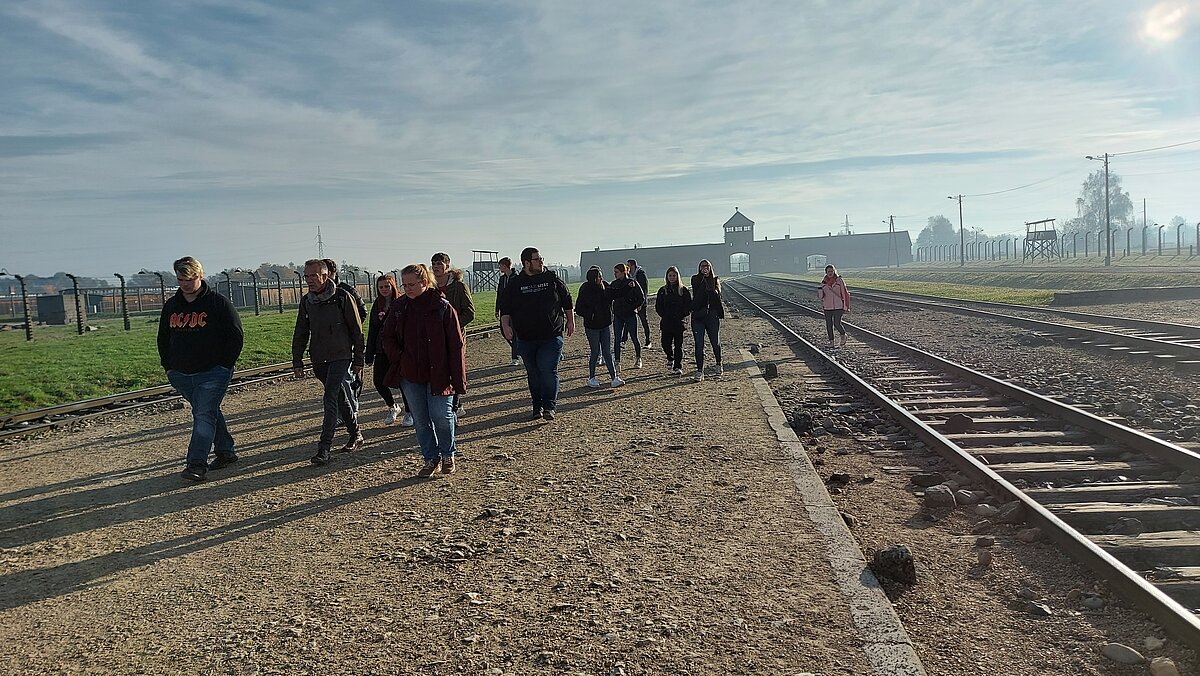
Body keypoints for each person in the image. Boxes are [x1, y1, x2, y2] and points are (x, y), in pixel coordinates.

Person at [158, 256, 244, 482]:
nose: (185, 284)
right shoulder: (172, 306)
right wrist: (169, 367)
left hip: (213, 372)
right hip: (182, 374)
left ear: (200, 275)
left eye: (190, 278)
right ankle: (225, 451)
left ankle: (196, 464)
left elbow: (235, 336)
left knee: (203, 414)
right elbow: (163, 338)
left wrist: (225, 365)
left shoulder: (218, 303)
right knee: (208, 411)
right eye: (181, 279)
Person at [382, 264, 467, 477]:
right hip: (410, 373)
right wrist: (400, 359)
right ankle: (430, 458)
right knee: (421, 419)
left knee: (441, 415)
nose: (407, 288)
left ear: (425, 282)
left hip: (440, 371)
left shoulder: (442, 307)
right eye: (404, 284)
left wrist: (459, 380)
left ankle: (448, 453)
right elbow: (387, 336)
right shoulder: (400, 307)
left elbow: (456, 345)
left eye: (412, 284)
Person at [292, 258, 365, 466]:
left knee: (330, 397)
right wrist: (297, 360)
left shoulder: (342, 297)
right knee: (339, 397)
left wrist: (359, 358)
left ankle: (324, 448)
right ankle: (356, 434)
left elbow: (357, 330)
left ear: (325, 275)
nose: (309, 280)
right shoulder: (307, 301)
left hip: (341, 355)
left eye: (313, 276)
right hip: (319, 357)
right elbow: (301, 332)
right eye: (306, 277)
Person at [500, 247, 575, 421]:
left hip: (551, 335)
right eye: (537, 259)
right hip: (526, 337)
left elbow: (566, 299)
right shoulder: (516, 283)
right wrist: (505, 325)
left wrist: (571, 320)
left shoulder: (552, 278)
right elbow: (506, 307)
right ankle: (537, 406)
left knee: (548, 370)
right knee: (533, 373)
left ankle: (549, 406)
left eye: (541, 258)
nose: (541, 261)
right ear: (527, 263)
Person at [431, 252, 474, 417]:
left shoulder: (458, 286)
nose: (436, 266)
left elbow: (469, 313)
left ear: (447, 266)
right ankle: (453, 404)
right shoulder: (430, 288)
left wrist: (452, 326)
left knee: (454, 368)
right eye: (434, 263)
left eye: (439, 263)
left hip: (455, 336)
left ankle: (454, 407)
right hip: (435, 338)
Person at [324, 258, 367, 417]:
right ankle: (343, 413)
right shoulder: (317, 294)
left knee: (346, 378)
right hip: (327, 345)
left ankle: (351, 412)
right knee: (334, 381)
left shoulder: (345, 291)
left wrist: (348, 330)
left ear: (330, 272)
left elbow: (362, 313)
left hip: (345, 343)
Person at [365, 274, 408, 425]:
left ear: (393, 286)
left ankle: (409, 411)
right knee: (378, 381)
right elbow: (372, 329)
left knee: (403, 381)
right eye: (381, 287)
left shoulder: (401, 302)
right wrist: (369, 353)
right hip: (381, 348)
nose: (384, 289)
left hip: (397, 348)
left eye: (387, 286)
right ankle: (392, 406)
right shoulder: (377, 304)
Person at [574, 266, 623, 388]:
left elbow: (616, 293)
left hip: (605, 324)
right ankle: (591, 378)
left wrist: (628, 287)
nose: (601, 278)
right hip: (592, 327)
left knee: (607, 352)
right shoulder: (585, 289)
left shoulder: (605, 286)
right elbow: (579, 308)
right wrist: (590, 314)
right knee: (595, 352)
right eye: (599, 276)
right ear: (593, 278)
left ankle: (614, 377)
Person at [690, 259, 724, 382]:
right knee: (699, 344)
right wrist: (704, 281)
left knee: (715, 342)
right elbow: (697, 295)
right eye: (702, 266)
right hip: (698, 316)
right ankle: (700, 370)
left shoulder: (715, 280)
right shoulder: (695, 279)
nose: (704, 268)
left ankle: (718, 363)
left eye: (706, 266)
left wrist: (711, 285)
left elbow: (717, 297)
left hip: (711, 316)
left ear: (710, 268)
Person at [654, 266, 692, 376]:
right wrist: (663, 315)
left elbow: (688, 304)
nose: (672, 277)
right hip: (666, 321)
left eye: (674, 275)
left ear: (677, 276)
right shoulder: (662, 290)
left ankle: (678, 366)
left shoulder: (683, 290)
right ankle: (670, 357)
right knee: (665, 343)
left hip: (679, 322)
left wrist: (683, 315)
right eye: (670, 275)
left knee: (678, 345)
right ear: (667, 277)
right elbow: (658, 306)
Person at [609, 263, 644, 371]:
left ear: (624, 272)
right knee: (617, 338)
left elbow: (641, 297)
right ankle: (617, 361)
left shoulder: (632, 283)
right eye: (614, 272)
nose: (615, 274)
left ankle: (638, 358)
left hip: (630, 314)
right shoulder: (614, 284)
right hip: (618, 314)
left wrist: (633, 307)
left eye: (617, 272)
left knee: (634, 337)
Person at [495, 257, 520, 366]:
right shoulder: (502, 279)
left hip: (515, 310)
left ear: (505, 266)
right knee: (504, 331)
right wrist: (497, 308)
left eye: (500, 265)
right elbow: (499, 294)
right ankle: (517, 349)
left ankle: (515, 357)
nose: (499, 267)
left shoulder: (517, 278)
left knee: (514, 333)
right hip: (504, 310)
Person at [819, 264, 851, 347]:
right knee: (829, 324)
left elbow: (844, 293)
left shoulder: (839, 280)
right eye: (828, 271)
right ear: (826, 272)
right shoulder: (824, 282)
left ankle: (843, 335)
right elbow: (821, 297)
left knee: (837, 323)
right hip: (827, 306)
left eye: (831, 271)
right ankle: (831, 342)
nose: (830, 273)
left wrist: (845, 306)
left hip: (838, 306)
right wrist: (820, 290)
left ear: (834, 271)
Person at [627, 258, 652, 349]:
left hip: (641, 301)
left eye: (628, 265)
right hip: (632, 302)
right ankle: (624, 340)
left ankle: (648, 341)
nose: (627, 267)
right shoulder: (628, 275)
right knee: (627, 321)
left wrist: (641, 304)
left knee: (644, 321)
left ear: (632, 265)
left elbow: (644, 290)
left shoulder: (641, 274)